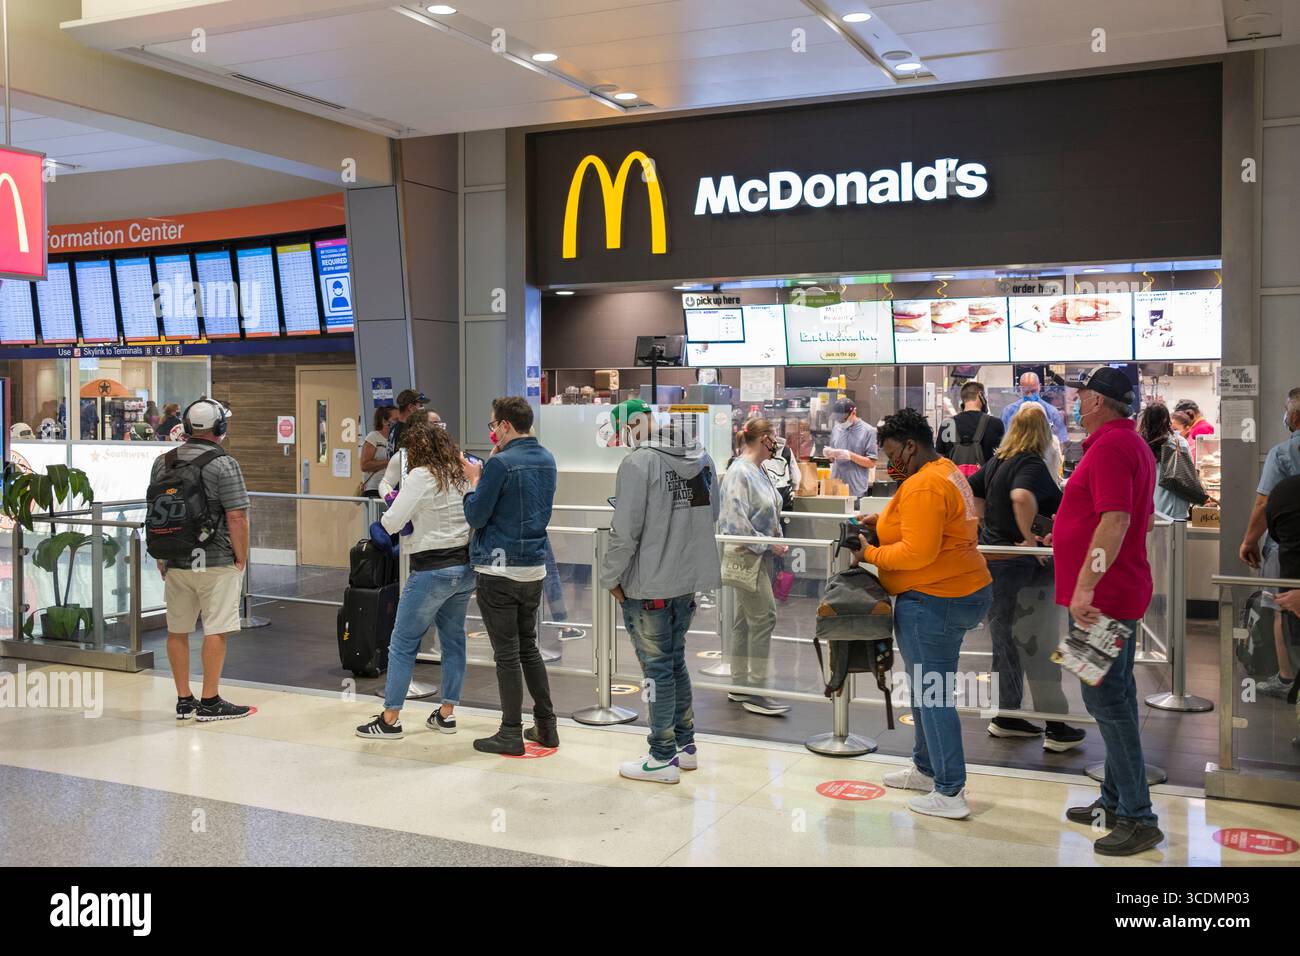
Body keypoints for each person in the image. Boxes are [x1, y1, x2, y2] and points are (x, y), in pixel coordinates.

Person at [856, 408, 992, 820]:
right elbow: (931, 524)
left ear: (911, 446)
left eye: (893, 452)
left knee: (933, 695)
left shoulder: (924, 486)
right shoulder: (945, 470)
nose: (889, 462)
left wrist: (870, 553)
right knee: (924, 690)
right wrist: (882, 521)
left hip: (934, 599)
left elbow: (917, 552)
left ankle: (950, 791)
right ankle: (926, 768)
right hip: (957, 590)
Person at [1054, 366, 1162, 856]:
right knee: (1111, 696)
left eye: (1081, 393)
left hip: (1102, 603)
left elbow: (1115, 521)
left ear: (1097, 400)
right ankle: (1113, 803)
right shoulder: (1122, 443)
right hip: (1109, 596)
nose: (1076, 400)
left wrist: (1086, 586)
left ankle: (1138, 816)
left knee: (1107, 704)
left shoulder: (1115, 447)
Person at [600, 399, 721, 783]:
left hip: (648, 583)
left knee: (656, 670)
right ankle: (685, 747)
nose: (622, 442)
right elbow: (711, 514)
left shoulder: (638, 463)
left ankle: (660, 756)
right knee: (673, 662)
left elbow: (624, 532)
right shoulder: (702, 458)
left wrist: (609, 577)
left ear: (633, 425)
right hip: (686, 581)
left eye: (621, 432)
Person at [967, 404, 1084, 750]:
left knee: (1005, 643)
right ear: (1044, 432)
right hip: (1025, 572)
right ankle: (1057, 726)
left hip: (996, 563)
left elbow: (972, 489)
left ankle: (1007, 715)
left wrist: (985, 529)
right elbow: (1021, 497)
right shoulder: (1031, 464)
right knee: (1040, 644)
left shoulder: (998, 461)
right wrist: (1029, 538)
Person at [355, 422, 475, 739]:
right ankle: (446, 714)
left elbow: (392, 521)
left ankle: (390, 719)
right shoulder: (461, 473)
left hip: (431, 570)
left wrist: (392, 504)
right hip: (463, 570)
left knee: (403, 643)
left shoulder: (422, 475)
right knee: (453, 642)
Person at [462, 396, 559, 755]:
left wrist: (475, 480)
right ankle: (546, 726)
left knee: (506, 654)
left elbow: (476, 516)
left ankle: (510, 732)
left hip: (497, 570)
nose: (491, 432)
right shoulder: (547, 458)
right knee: (528, 647)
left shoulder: (500, 464)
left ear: (504, 425)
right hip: (533, 567)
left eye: (492, 425)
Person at [153, 399, 252, 722]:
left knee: (177, 630)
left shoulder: (162, 461)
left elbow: (156, 510)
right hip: (216, 560)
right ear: (220, 428)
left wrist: (163, 553)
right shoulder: (225, 464)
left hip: (176, 559)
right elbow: (236, 516)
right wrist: (241, 557)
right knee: (216, 629)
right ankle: (210, 701)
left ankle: (184, 700)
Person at [718, 418, 790, 717]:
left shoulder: (758, 470)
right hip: (746, 555)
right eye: (773, 437)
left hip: (759, 556)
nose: (776, 443)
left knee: (745, 620)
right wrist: (768, 543)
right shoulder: (740, 472)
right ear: (763, 439)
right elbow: (734, 522)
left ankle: (739, 684)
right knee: (764, 618)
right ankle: (758, 690)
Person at [1241, 387, 1300, 699]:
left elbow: (1264, 505)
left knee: (1284, 607)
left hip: (1288, 546)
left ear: (1293, 417)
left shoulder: (1283, 453)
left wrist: (1248, 541)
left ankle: (1287, 676)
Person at [1138, 402, 1205, 521]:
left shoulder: (1139, 444)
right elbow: (1188, 471)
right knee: (1176, 538)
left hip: (1149, 509)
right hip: (1176, 509)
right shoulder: (1179, 443)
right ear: (1167, 419)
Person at [937, 381, 1004, 474]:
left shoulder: (947, 425)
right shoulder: (995, 423)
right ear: (981, 395)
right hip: (984, 485)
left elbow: (940, 459)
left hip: (954, 485)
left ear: (963, 399)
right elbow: (1001, 458)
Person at [824, 398, 878, 503]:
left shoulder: (868, 431)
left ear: (854, 412)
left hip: (856, 491)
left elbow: (871, 463)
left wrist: (849, 455)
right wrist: (830, 454)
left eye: (843, 418)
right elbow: (833, 459)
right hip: (835, 488)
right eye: (838, 419)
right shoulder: (837, 429)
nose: (841, 422)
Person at [1000, 372, 1068, 444]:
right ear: (1020, 389)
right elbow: (1003, 441)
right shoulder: (1008, 412)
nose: (1030, 395)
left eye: (1033, 391)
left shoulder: (1052, 412)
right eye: (1026, 392)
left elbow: (1061, 440)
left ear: (1039, 387)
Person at [359, 406, 397, 498]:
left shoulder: (395, 439)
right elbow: (364, 466)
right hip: (375, 489)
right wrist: (391, 462)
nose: (399, 422)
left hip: (392, 488)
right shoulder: (374, 437)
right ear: (385, 421)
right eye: (396, 419)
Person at [386, 388, 428, 457]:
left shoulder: (394, 428)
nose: (423, 409)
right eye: (420, 405)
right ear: (411, 407)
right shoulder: (408, 431)